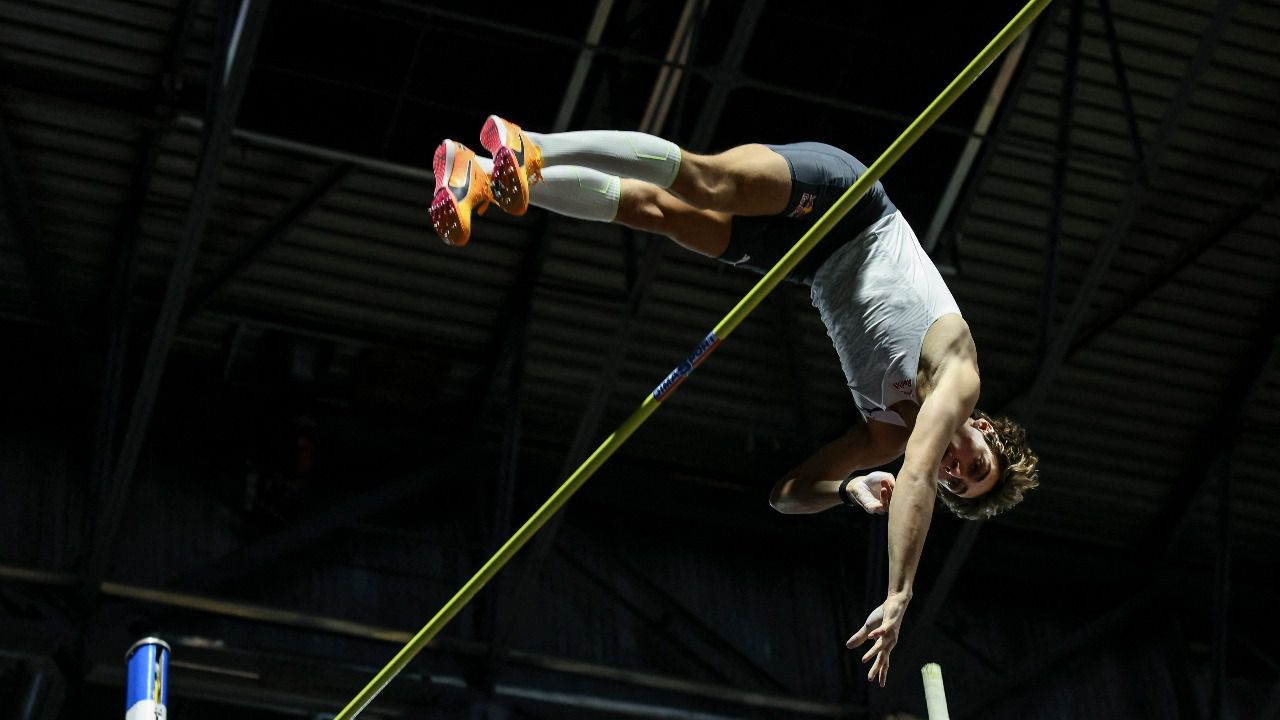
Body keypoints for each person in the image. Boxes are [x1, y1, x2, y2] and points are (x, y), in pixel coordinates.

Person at [430, 116, 1040, 686]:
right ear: (984, 429)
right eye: (975, 465)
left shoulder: (884, 437)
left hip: (805, 261)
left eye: (959, 485)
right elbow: (918, 474)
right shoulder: (960, 379)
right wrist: (901, 590)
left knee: (658, 211)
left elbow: (786, 496)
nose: (956, 472)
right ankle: (531, 143)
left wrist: (845, 490)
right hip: (849, 205)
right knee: (709, 180)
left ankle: (480, 178)